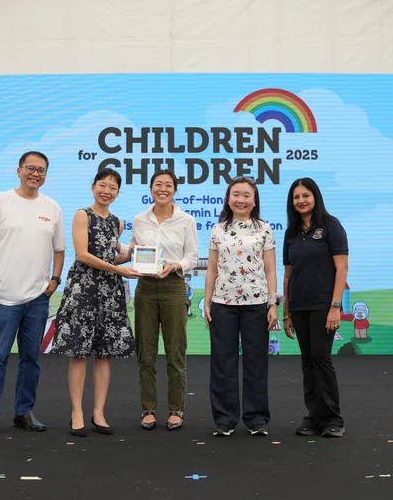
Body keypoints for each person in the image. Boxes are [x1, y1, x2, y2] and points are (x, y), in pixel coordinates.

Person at [0, 151, 65, 436]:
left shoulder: (52, 207)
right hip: (2, 297)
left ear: (46, 175)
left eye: (41, 170)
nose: (35, 174)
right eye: (30, 168)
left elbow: (59, 249)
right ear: (18, 171)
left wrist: (54, 279)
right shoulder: (1, 202)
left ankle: (24, 412)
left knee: (31, 360)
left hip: (37, 299)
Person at [50, 168, 140, 437]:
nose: (107, 191)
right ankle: (76, 412)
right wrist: (118, 269)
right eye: (102, 185)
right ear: (93, 187)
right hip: (84, 288)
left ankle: (99, 412)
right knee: (79, 351)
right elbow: (83, 255)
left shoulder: (117, 222)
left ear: (118, 192)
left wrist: (138, 256)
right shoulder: (82, 215)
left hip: (110, 292)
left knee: (104, 352)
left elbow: (115, 257)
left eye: (112, 188)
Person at [203, 177, 278, 437]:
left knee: (256, 363)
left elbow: (270, 269)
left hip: (256, 305)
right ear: (228, 198)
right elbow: (212, 269)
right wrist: (208, 302)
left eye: (247, 195)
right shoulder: (218, 229)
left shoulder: (264, 229)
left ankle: (257, 419)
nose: (241, 199)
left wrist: (272, 304)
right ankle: (225, 419)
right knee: (223, 363)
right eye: (236, 194)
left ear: (254, 200)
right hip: (223, 304)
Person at [130, 169, 199, 431]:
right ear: (151, 189)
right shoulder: (139, 219)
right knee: (145, 352)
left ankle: (176, 409)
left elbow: (193, 256)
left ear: (174, 190)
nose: (163, 189)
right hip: (145, 288)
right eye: (158, 184)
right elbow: (134, 249)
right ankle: (148, 409)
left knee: (175, 352)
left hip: (173, 287)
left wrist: (175, 266)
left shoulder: (186, 220)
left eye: (168, 185)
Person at [281, 177, 349, 438]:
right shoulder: (291, 232)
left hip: (324, 305)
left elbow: (341, 268)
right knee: (308, 362)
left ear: (315, 197)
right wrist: (286, 313)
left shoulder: (331, 226)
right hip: (299, 306)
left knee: (321, 359)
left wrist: (335, 307)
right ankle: (314, 416)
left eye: (305, 196)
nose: (301, 201)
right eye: (296, 197)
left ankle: (333, 418)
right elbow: (288, 275)